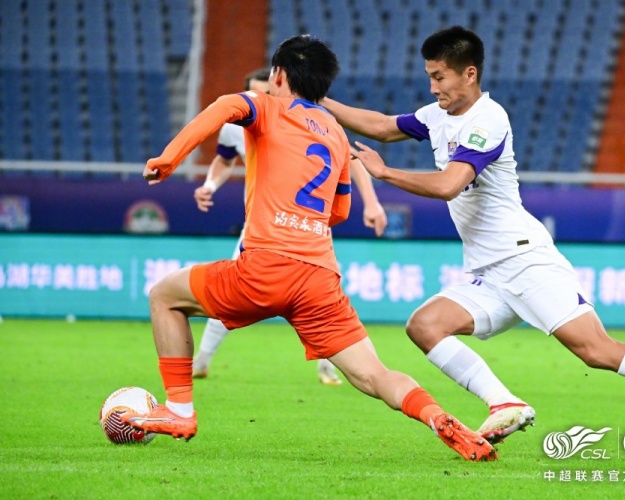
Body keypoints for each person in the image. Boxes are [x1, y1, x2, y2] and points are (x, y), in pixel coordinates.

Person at [322, 26, 625, 457]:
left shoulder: (488, 120)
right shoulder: (436, 115)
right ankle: (505, 403)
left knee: (596, 350)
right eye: (429, 77)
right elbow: (383, 126)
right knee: (425, 326)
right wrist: (320, 99)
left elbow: (449, 185)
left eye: (439, 77)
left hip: (524, 260)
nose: (433, 87)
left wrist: (385, 173)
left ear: (469, 73)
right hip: (489, 272)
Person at [120, 34, 496, 462]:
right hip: (318, 277)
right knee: (373, 375)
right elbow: (340, 211)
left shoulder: (264, 106)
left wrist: (170, 158)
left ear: (278, 75)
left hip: (265, 266)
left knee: (164, 296)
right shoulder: (335, 133)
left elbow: (223, 106)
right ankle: (438, 417)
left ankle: (179, 410)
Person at [191, 67, 388, 386]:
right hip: (262, 227)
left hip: (305, 224)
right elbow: (224, 160)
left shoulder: (303, 120)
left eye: (269, 91)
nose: (266, 98)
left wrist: (372, 202)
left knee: (324, 296)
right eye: (258, 93)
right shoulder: (237, 123)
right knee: (229, 291)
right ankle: (202, 359)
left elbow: (350, 159)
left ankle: (329, 366)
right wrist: (210, 185)